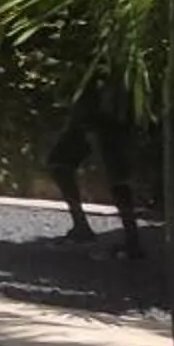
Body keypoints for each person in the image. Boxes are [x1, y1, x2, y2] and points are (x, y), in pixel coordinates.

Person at [48, 74, 145, 258]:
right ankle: (83, 228)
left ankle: (132, 243)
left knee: (115, 173)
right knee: (59, 163)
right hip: (93, 110)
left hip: (104, 111)